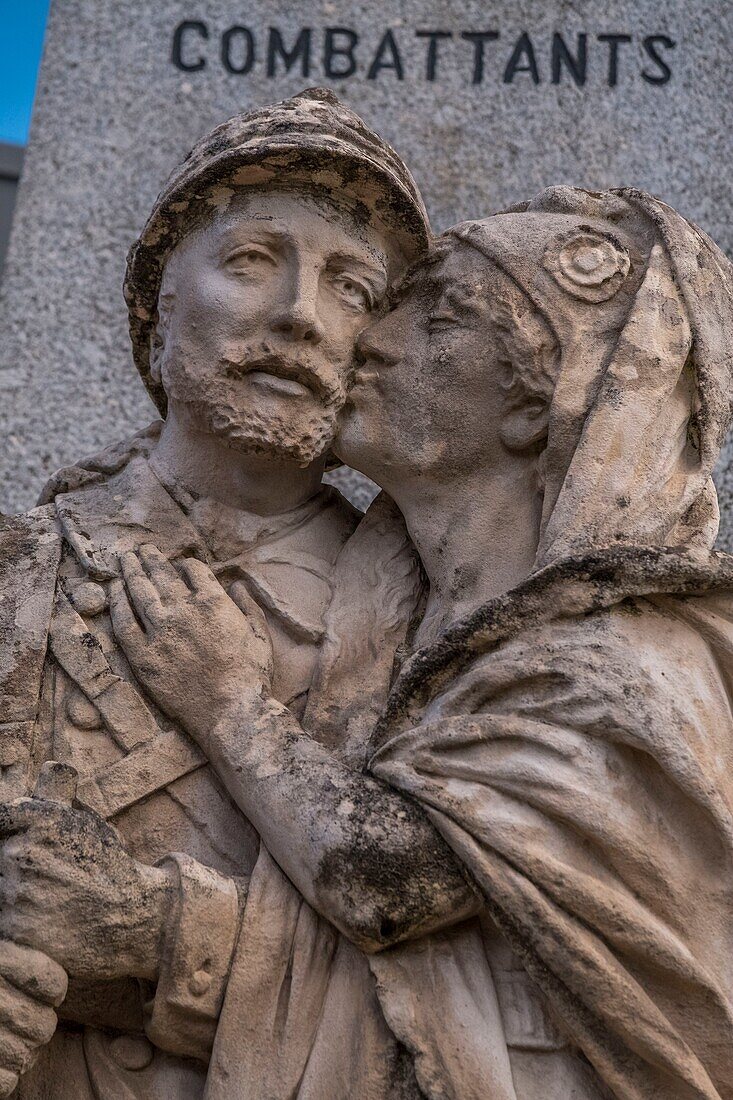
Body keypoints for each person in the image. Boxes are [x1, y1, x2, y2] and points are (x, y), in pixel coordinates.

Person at [47, 185, 732, 1099]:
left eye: (436, 319)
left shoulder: (620, 651)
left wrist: (228, 705)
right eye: (253, 261)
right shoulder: (419, 625)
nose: (365, 338)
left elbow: (383, 885)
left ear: (532, 409)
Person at [0, 89, 428, 1097]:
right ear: (158, 309)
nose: (298, 314)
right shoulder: (20, 570)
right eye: (250, 259)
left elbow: (471, 984)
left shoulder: (434, 618)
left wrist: (155, 939)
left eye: (354, 289)